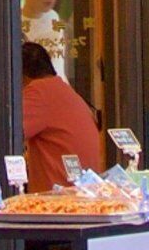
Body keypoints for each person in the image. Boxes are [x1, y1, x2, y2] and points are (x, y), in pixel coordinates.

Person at [19, 42, 102, 192]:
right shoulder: (62, 91)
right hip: (82, 195)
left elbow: (2, 133)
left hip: (56, 204)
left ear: (21, 76)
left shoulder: (39, 92)